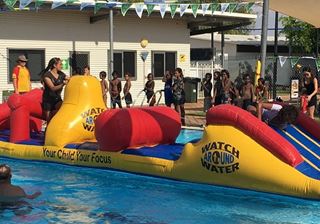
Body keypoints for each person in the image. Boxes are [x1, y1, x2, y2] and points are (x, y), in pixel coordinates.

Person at [39, 57, 69, 123]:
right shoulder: (47, 75)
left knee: (63, 110)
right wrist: (63, 84)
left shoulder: (61, 74)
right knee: (49, 121)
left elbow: (70, 78)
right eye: (60, 64)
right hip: (48, 100)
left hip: (57, 99)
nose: (61, 66)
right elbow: (52, 88)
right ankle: (48, 131)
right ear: (55, 65)